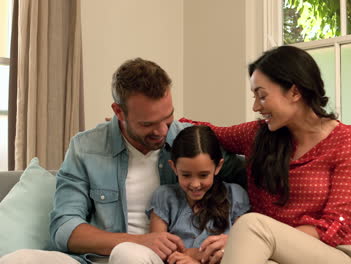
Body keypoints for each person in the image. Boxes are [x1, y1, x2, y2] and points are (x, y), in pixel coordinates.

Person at [0, 58, 244, 264]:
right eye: (147, 124)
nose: (161, 131)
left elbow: (254, 179)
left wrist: (235, 240)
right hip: (96, 258)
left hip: (159, 259)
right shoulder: (86, 147)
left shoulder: (189, 141)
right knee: (17, 259)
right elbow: (64, 228)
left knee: (129, 255)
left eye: (167, 118)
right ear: (119, 112)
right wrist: (138, 240)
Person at [183, 45, 351, 264]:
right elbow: (208, 132)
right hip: (268, 253)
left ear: (294, 92)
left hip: (329, 255)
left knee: (250, 225)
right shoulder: (257, 135)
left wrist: (247, 239)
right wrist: (163, 124)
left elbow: (334, 226)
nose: (255, 107)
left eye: (262, 96)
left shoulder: (349, 142)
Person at [148, 125, 249, 264]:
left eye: (203, 175)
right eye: (186, 175)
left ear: (218, 167)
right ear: (173, 167)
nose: (195, 184)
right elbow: (157, 249)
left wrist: (194, 256)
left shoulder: (235, 195)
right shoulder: (164, 197)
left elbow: (243, 249)